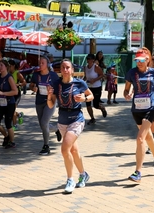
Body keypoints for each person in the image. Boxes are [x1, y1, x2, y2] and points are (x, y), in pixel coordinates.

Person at [47, 58, 94, 194]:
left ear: (72, 70)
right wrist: (49, 96)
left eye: (68, 67)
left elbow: (91, 96)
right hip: (62, 120)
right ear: (60, 70)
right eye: (63, 67)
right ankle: (83, 174)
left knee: (64, 149)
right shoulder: (56, 84)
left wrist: (84, 99)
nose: (65, 70)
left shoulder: (80, 83)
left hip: (76, 119)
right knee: (73, 151)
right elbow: (50, 105)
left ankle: (70, 180)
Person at [123, 47, 154, 182]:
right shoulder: (132, 73)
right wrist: (127, 94)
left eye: (142, 60)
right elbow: (126, 89)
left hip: (151, 108)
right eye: (137, 60)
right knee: (148, 137)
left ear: (147, 60)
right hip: (137, 109)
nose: (139, 62)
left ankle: (138, 172)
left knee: (140, 139)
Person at [29, 55, 61, 155]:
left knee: (44, 123)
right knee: (43, 125)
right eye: (39, 63)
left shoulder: (53, 75)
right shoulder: (36, 75)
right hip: (39, 101)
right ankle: (56, 129)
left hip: (50, 101)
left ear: (47, 64)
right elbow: (31, 85)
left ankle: (46, 146)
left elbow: (58, 88)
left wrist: (52, 93)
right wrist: (33, 88)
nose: (40, 64)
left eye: (42, 63)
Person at [0, 59, 18, 148]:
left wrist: (4, 94)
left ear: (6, 67)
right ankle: (6, 136)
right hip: (0, 103)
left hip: (9, 103)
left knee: (8, 123)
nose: (0, 67)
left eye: (2, 65)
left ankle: (11, 142)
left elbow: (15, 91)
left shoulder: (9, 77)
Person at [83, 53, 107, 125]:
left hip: (96, 87)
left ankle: (102, 108)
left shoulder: (96, 67)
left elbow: (102, 75)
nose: (88, 60)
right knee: (88, 104)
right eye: (87, 59)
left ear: (93, 60)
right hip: (88, 88)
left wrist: (95, 80)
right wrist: (82, 81)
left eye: (90, 59)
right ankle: (92, 118)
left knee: (96, 105)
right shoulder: (85, 68)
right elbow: (85, 77)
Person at [9, 59, 26, 130]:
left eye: (9, 66)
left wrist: (18, 84)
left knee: (12, 109)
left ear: (13, 66)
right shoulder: (7, 73)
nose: (8, 67)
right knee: (10, 110)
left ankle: (14, 125)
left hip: (16, 94)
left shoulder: (17, 73)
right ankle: (19, 115)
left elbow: (24, 82)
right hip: (10, 93)